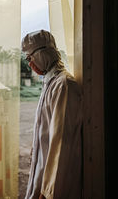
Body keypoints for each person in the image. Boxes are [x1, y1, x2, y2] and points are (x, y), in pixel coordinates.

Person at [22, 29, 83, 199]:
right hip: (42, 175)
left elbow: (62, 144)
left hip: (55, 186)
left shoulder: (64, 85)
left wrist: (48, 190)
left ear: (42, 55)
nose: (30, 64)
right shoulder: (51, 82)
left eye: (30, 58)